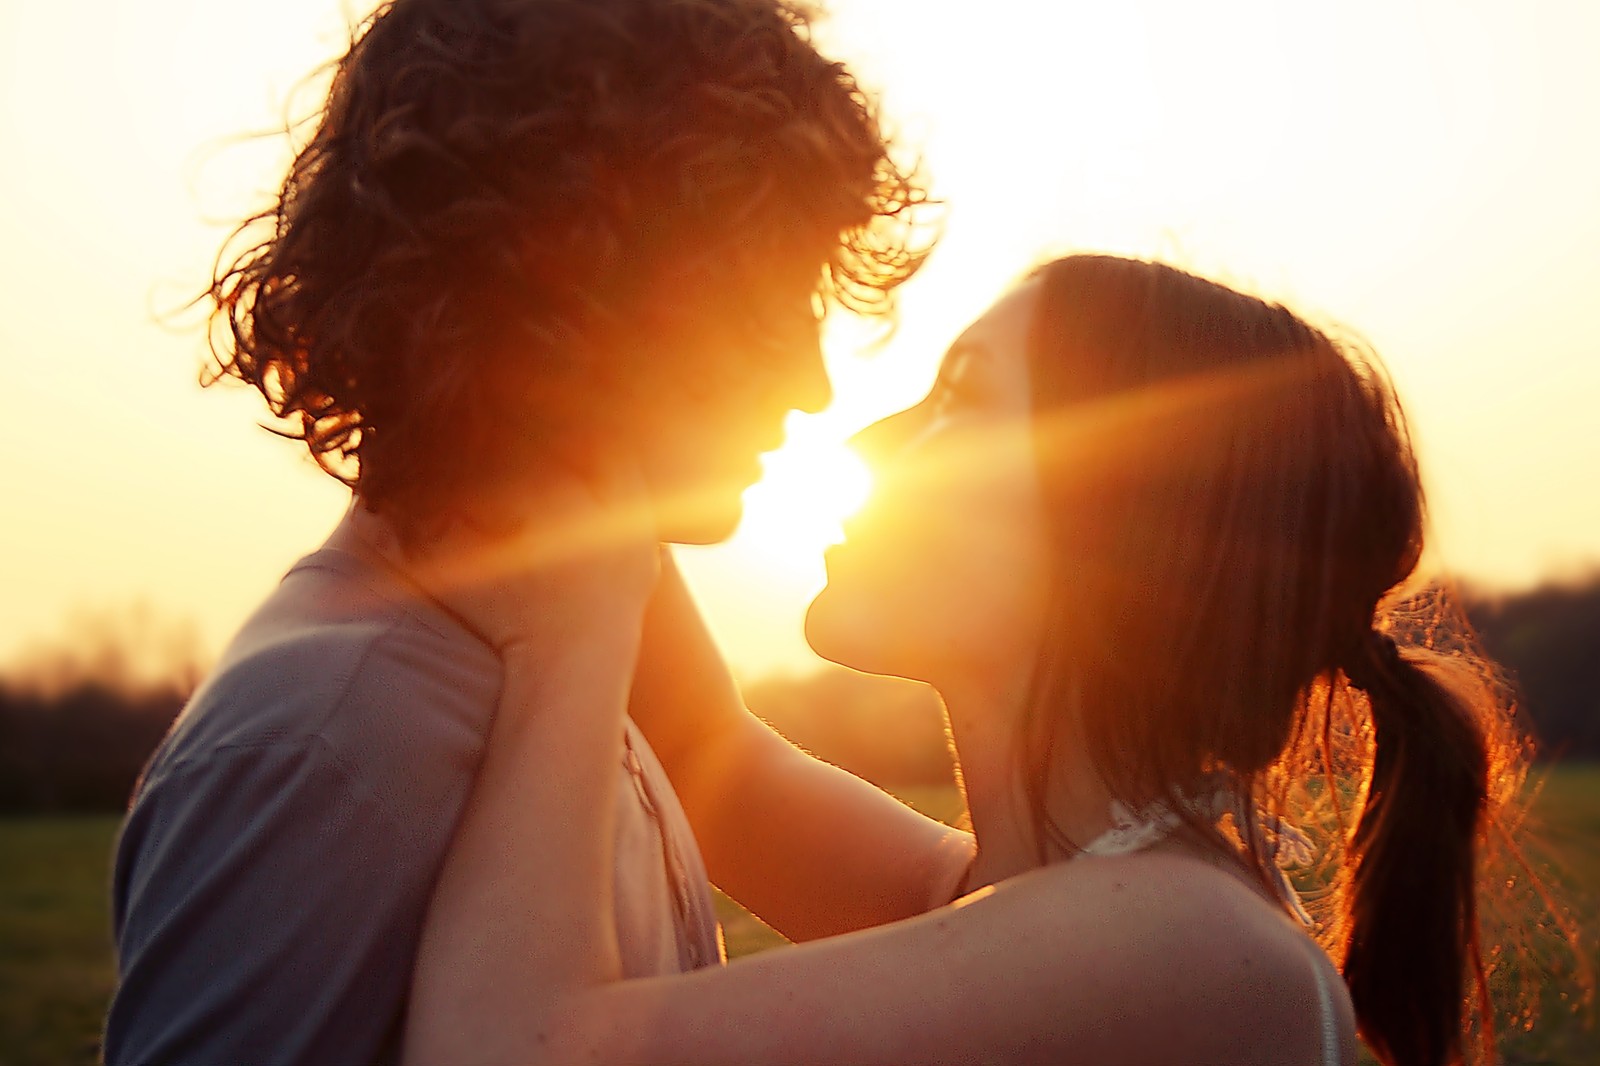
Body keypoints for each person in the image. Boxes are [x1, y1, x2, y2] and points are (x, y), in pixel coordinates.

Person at [401, 254, 1534, 1066]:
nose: (864, 442)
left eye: (960, 398)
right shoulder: (1053, 898)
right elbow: (712, 757)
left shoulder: (1178, 945)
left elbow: (502, 1050)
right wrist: (555, 390)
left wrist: (567, 635)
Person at [103, 0, 962, 1062]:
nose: (810, 382)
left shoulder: (576, 650)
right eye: (761, 309)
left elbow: (730, 763)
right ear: (567, 293)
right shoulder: (325, 741)